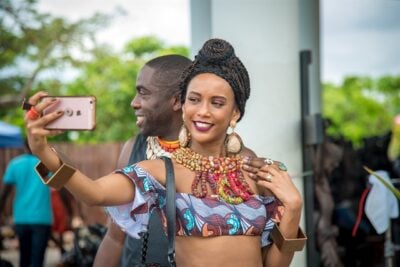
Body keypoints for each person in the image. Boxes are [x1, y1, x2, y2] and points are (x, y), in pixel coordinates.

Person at [24, 38, 305, 266]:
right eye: (194, 99)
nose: (203, 111)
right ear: (182, 105)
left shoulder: (256, 171)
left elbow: (275, 264)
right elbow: (93, 193)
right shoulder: (161, 170)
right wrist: (42, 150)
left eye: (217, 103)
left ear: (235, 113)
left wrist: (293, 209)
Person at [95, 54, 257, 267]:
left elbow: (254, 245)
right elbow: (115, 237)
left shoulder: (236, 160)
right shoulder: (134, 148)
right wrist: (44, 149)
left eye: (143, 93)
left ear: (177, 101)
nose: (134, 103)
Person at [0, 141, 52, 267]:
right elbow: (61, 189)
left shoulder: (15, 164)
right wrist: (70, 212)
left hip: (21, 218)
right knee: (37, 259)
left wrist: (0, 212)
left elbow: (5, 193)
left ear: (25, 145)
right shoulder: (44, 165)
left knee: (24, 256)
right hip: (41, 218)